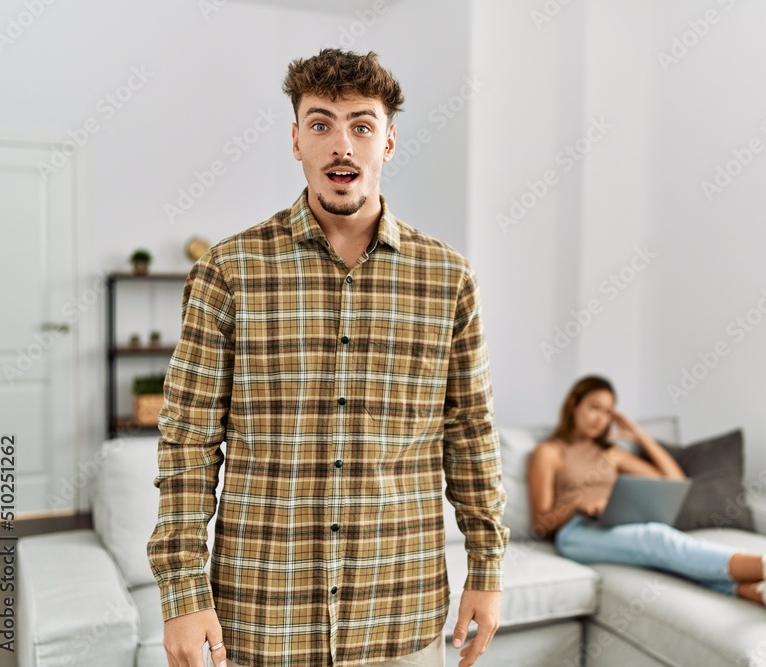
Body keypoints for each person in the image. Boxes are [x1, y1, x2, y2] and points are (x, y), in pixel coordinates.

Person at [147, 49, 509, 667]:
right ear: (295, 139)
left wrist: (487, 568)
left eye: (361, 125)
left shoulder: (448, 278)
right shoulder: (228, 272)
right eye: (321, 124)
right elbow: (188, 441)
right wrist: (183, 593)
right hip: (262, 615)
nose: (342, 145)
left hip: (402, 609)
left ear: (388, 140)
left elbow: (470, 433)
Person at [526, 375, 766, 625]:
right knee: (658, 538)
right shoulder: (550, 452)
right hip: (574, 533)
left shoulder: (611, 454)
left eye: (608, 412)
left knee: (668, 561)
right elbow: (540, 524)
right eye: (594, 408)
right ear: (573, 403)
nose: (600, 418)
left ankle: (765, 596)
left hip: (614, 524)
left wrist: (638, 436)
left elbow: (674, 480)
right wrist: (577, 505)